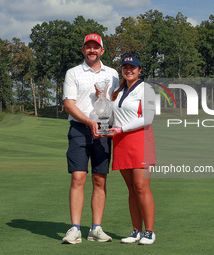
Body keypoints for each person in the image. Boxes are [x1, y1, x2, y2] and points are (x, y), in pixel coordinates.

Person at [61, 33, 119, 244]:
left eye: (96, 47)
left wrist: (106, 97)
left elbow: (115, 100)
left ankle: (96, 229)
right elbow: (69, 104)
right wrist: (88, 122)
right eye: (88, 47)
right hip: (79, 129)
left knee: (99, 180)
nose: (92, 50)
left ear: (102, 50)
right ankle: (75, 228)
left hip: (104, 130)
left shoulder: (112, 74)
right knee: (78, 178)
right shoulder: (73, 73)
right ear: (83, 50)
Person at [105, 53, 156, 245]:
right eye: (125, 67)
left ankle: (149, 232)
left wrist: (121, 128)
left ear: (140, 70)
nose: (128, 70)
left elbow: (148, 118)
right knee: (132, 189)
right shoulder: (117, 91)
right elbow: (112, 118)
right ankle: (136, 231)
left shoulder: (146, 89)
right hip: (121, 141)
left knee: (142, 187)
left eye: (132, 67)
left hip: (140, 140)